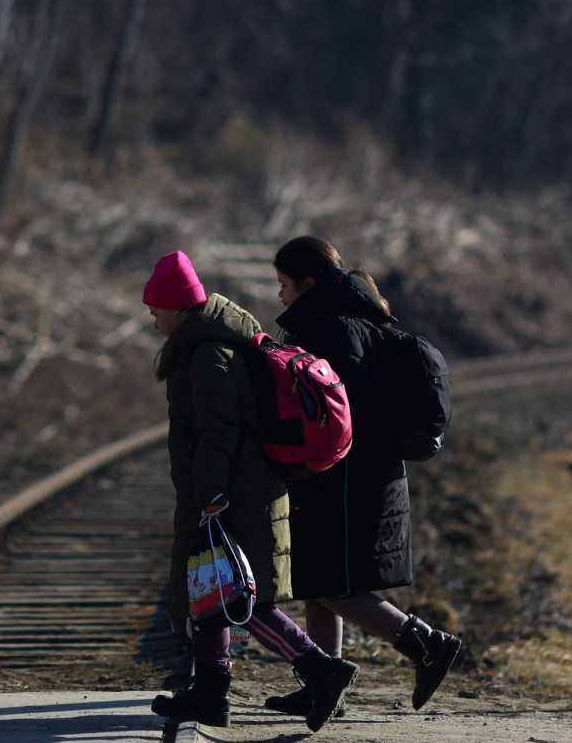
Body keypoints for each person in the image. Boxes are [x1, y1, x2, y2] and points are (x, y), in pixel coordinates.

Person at [143, 250, 359, 733]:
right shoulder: (206, 345)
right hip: (233, 491)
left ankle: (321, 669)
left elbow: (217, 433)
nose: (153, 319)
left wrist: (210, 496)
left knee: (240, 598)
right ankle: (210, 692)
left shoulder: (208, 355)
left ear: (176, 307)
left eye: (155, 309)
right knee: (211, 593)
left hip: (235, 495)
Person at [262, 235, 461, 718]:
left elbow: (340, 411)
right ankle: (322, 683)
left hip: (352, 477)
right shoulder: (348, 320)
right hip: (351, 473)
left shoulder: (334, 329)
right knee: (318, 580)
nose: (280, 294)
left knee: (335, 587)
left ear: (308, 283)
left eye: (284, 284)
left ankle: (426, 644)